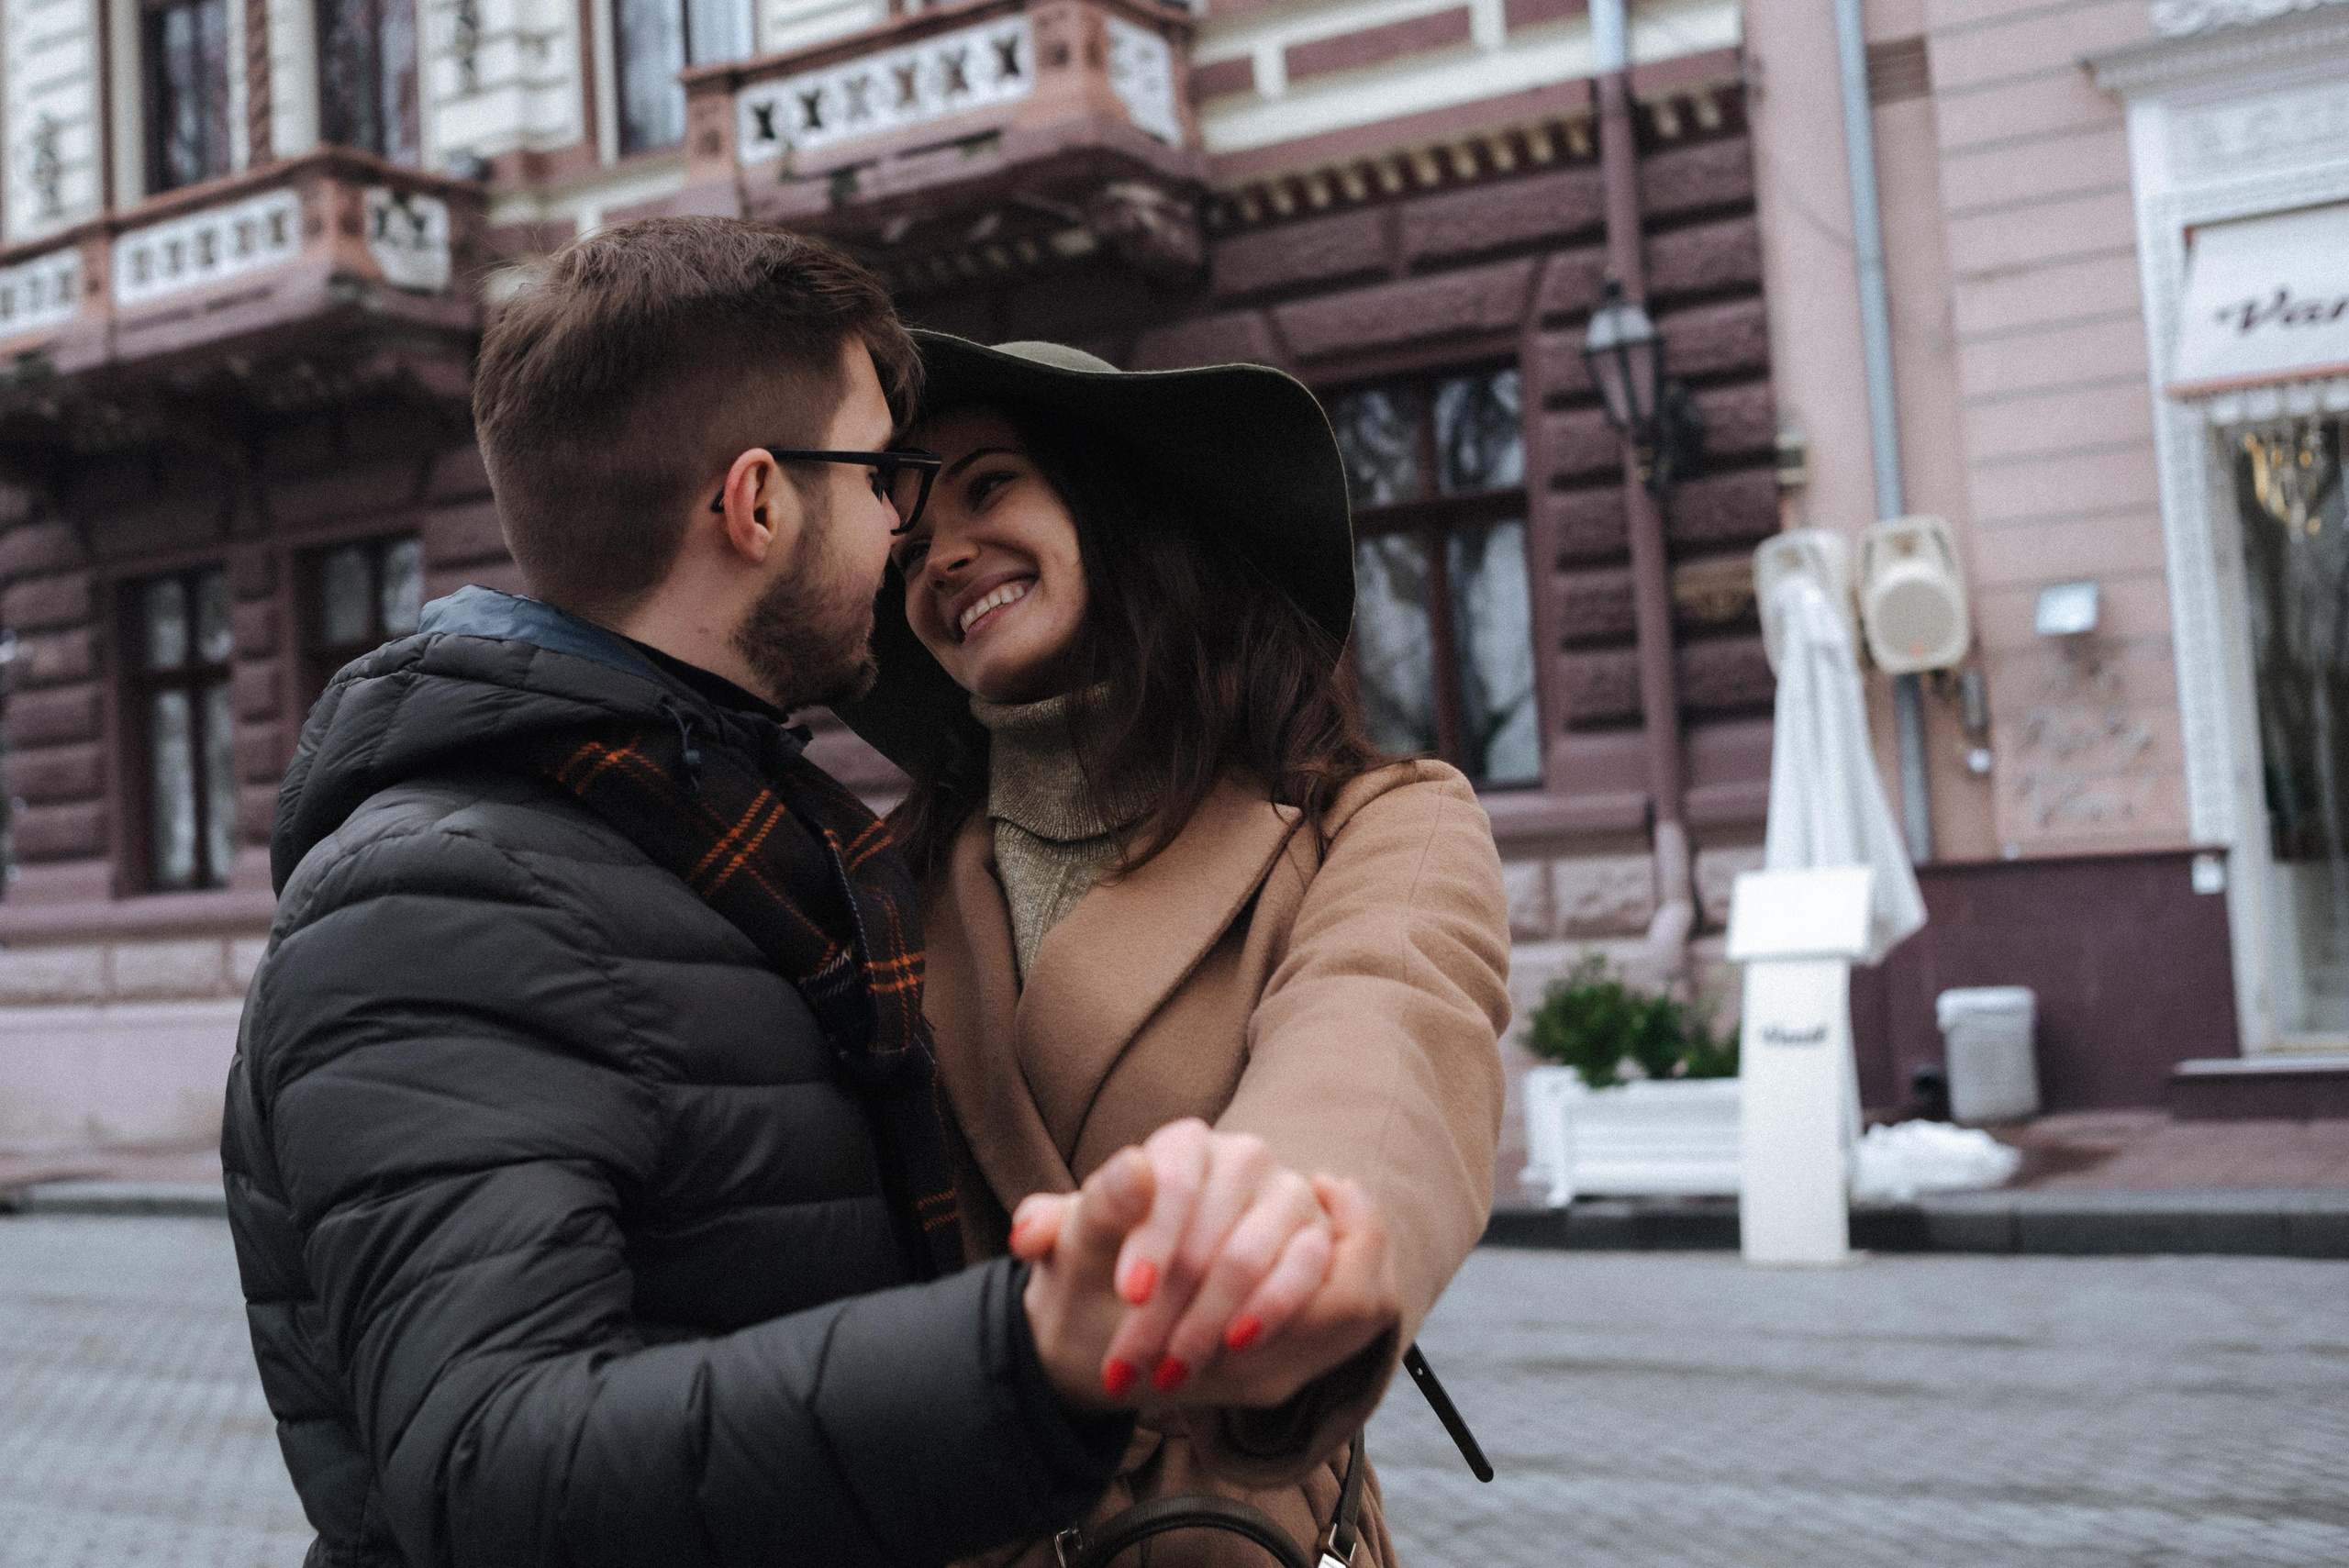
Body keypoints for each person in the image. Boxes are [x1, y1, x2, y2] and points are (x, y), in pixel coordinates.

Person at [220, 219, 1391, 1568]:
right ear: (760, 502)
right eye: (888, 474)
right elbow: (493, 1466)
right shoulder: (433, 900)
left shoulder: (743, 840)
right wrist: (1024, 1352)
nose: (907, 528)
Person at [837, 335, 1513, 1567]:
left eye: (991, 485)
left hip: (1237, 1529)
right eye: (911, 526)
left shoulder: (1373, 821)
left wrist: (1284, 1222)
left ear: (1117, 500)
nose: (941, 552)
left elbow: (1382, 1028)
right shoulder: (879, 883)